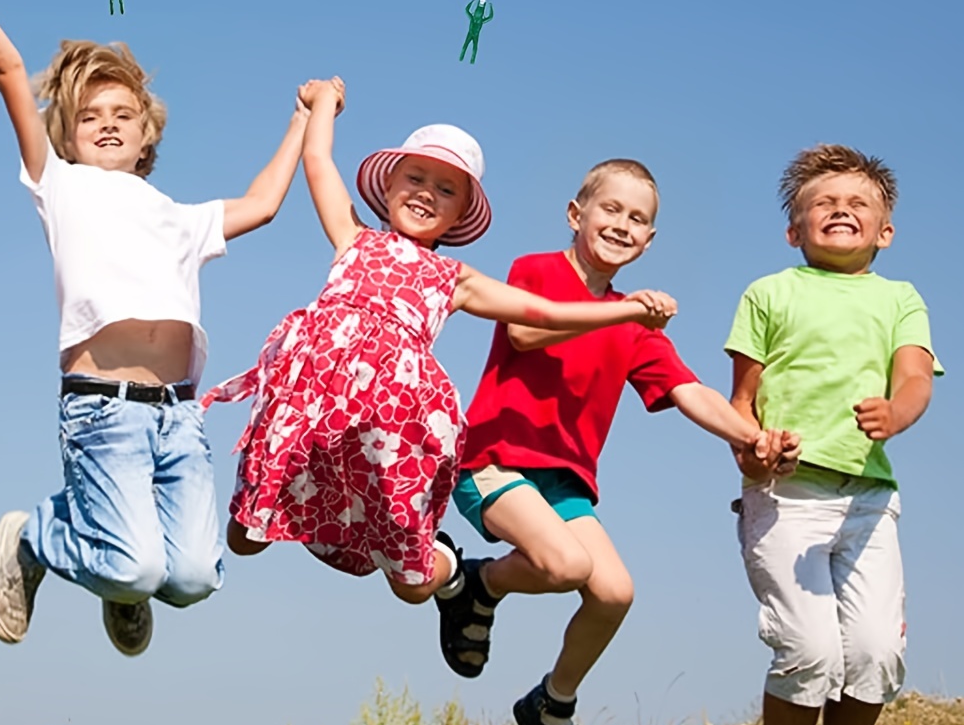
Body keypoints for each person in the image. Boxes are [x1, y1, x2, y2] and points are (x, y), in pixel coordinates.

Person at [0, 0, 312, 658]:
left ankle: (122, 577)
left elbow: (266, 202)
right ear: (67, 136)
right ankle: (39, 540)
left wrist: (306, 118)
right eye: (90, 118)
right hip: (102, 414)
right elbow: (8, 70)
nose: (107, 126)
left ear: (149, 134)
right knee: (138, 566)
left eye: (123, 117)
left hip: (178, 419)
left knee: (194, 579)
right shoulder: (62, 186)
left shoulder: (180, 217)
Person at [204, 95, 678, 645]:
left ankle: (453, 573)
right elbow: (319, 165)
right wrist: (320, 109)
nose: (427, 192)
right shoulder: (353, 238)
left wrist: (628, 308)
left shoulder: (455, 277)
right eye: (416, 177)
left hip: (388, 431)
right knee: (245, 537)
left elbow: (545, 313)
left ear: (459, 217)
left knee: (412, 585)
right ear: (388, 187)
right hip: (314, 411)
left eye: (447, 189)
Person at [440, 158, 795, 725]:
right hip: (496, 461)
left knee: (614, 593)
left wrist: (754, 437)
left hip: (565, 483)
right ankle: (476, 584)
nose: (622, 224)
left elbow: (689, 392)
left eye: (639, 219)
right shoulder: (538, 271)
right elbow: (524, 328)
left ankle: (551, 705)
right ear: (577, 216)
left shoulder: (635, 322)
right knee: (566, 564)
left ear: (650, 240)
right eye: (611, 210)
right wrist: (626, 312)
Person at [728, 144, 939, 725]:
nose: (841, 209)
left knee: (877, 654)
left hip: (871, 498)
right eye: (823, 202)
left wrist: (896, 414)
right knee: (809, 650)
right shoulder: (769, 292)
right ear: (794, 229)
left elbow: (912, 377)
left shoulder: (900, 298)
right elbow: (741, 403)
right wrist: (756, 452)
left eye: (859, 203)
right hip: (786, 496)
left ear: (886, 232)